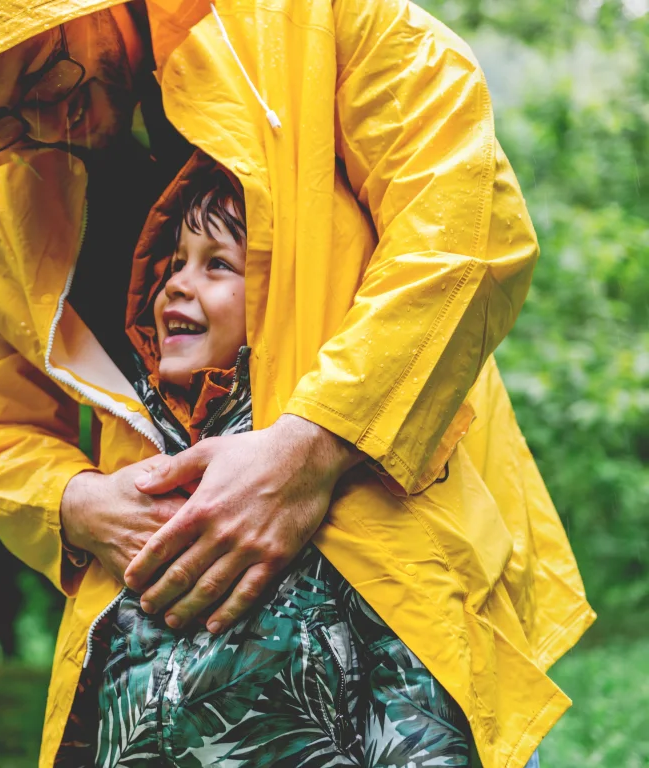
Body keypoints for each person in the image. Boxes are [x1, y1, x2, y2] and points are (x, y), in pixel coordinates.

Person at [0, 0, 595, 766]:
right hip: (161, 685)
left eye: (45, 73)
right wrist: (75, 504)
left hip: (400, 620)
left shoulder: (315, 20)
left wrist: (314, 446)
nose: (42, 124)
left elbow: (464, 232)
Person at [81, 152, 472, 767]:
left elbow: (416, 689)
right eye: (175, 263)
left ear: (277, 295)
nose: (177, 283)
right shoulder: (143, 454)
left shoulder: (335, 468)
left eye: (217, 265)